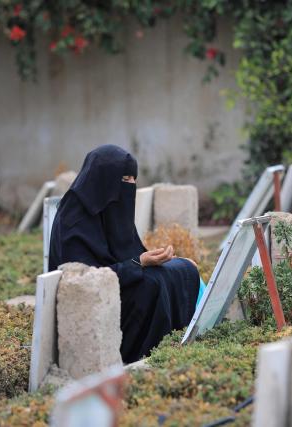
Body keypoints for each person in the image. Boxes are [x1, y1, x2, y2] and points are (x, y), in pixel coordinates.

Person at [48, 145, 201, 363]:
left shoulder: (110, 209)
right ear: (103, 180)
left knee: (184, 269)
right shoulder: (74, 221)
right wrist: (138, 263)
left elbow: (129, 253)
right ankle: (146, 356)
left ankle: (179, 344)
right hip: (98, 301)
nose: (131, 185)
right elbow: (84, 280)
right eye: (125, 178)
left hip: (123, 281)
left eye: (133, 179)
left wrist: (160, 260)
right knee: (152, 285)